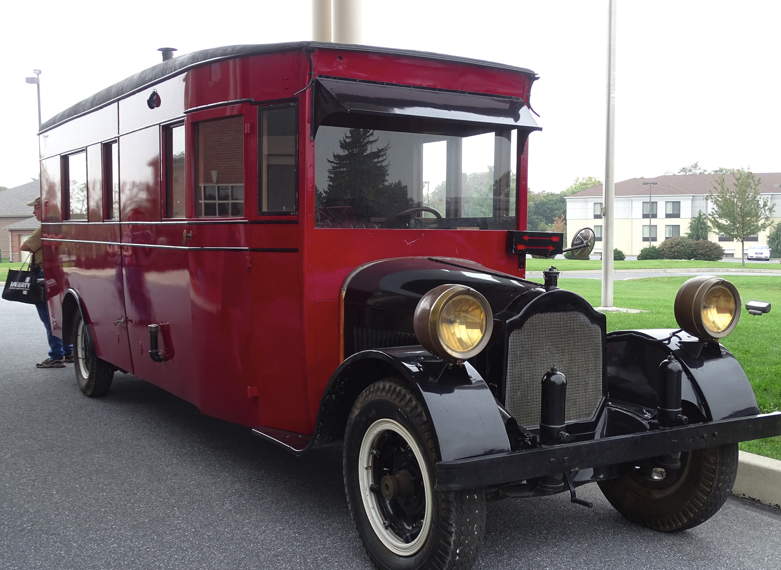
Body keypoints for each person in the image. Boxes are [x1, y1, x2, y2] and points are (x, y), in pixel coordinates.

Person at [20, 197, 73, 368]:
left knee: (48, 317)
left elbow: (25, 247)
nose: (34, 212)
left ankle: (56, 355)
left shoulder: (45, 227)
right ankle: (68, 351)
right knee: (59, 314)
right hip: (59, 273)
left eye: (36, 208)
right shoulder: (62, 225)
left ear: (45, 209)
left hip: (43, 274)